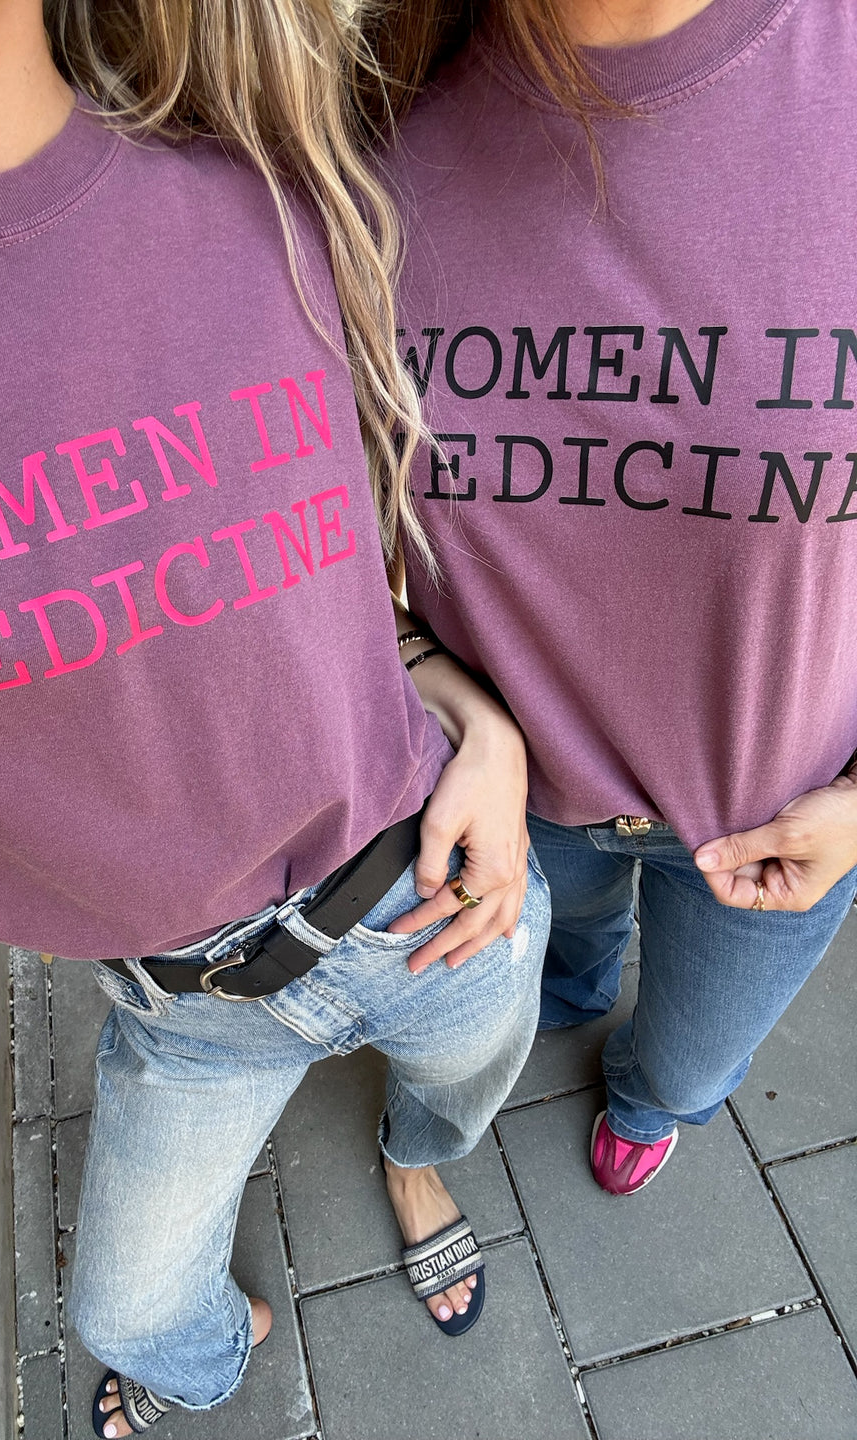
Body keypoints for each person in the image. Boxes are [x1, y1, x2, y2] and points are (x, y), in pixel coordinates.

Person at [0, 1, 549, 1433]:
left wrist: (477, 718)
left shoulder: (262, 189)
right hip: (184, 1002)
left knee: (459, 1094)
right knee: (129, 1315)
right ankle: (220, 1341)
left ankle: (414, 1155)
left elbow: (347, 575)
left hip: (436, 891)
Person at [385, 0, 857, 1197]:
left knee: (693, 1068)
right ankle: (576, 992)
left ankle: (650, 1093)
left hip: (788, 822)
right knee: (567, 962)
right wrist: (424, 680)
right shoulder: (365, 101)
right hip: (513, 795)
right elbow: (313, 510)